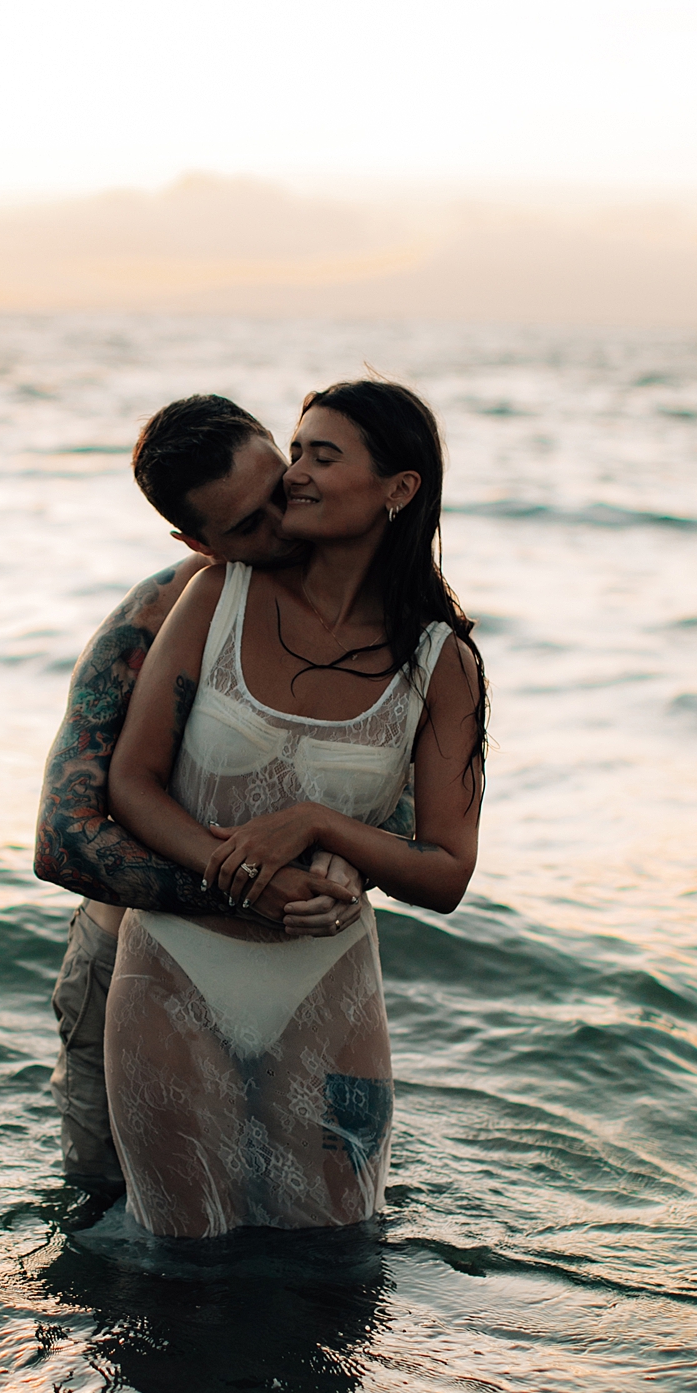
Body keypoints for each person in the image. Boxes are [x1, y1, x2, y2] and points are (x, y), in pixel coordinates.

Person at [105, 380, 487, 1239]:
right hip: (175, 971)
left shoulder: (441, 662)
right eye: (298, 451)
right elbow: (129, 785)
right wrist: (235, 872)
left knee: (339, 1265)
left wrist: (318, 824)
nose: (296, 479)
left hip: (330, 986)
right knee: (181, 1274)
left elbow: (448, 872)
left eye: (321, 455)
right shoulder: (216, 596)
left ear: (400, 488)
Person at [34, 395, 371, 1188]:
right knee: (116, 1230)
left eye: (280, 492)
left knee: (320, 1231)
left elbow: (406, 794)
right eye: (247, 527)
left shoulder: (368, 609)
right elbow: (64, 834)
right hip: (129, 971)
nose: (282, 529)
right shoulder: (156, 617)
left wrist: (352, 865)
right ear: (196, 541)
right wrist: (246, 891)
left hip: (301, 979)